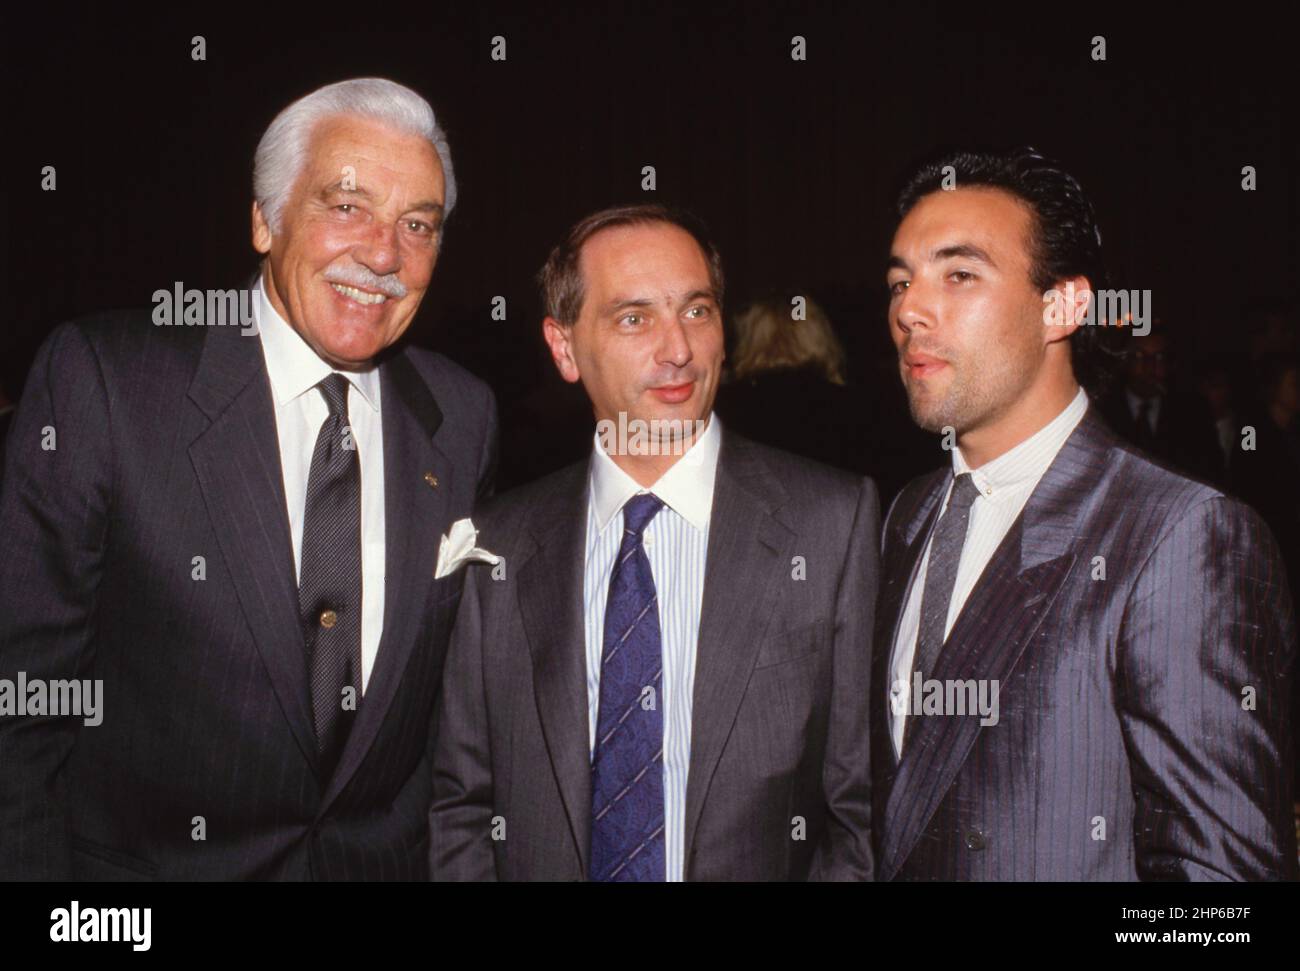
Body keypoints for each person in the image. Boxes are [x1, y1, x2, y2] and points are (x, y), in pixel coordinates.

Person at [0, 78, 498, 880]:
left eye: (417, 225)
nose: (382, 254)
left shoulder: (462, 415)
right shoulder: (107, 385)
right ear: (264, 219)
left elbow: (447, 731)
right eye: (346, 206)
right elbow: (18, 712)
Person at [874, 147, 1296, 881]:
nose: (910, 308)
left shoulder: (1180, 534)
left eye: (959, 274)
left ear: (1064, 305)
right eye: (901, 281)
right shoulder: (908, 516)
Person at [429, 204, 878, 881]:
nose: (678, 348)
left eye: (697, 311)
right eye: (634, 318)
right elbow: (461, 804)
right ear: (564, 347)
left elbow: (859, 814)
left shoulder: (830, 524)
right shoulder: (502, 543)